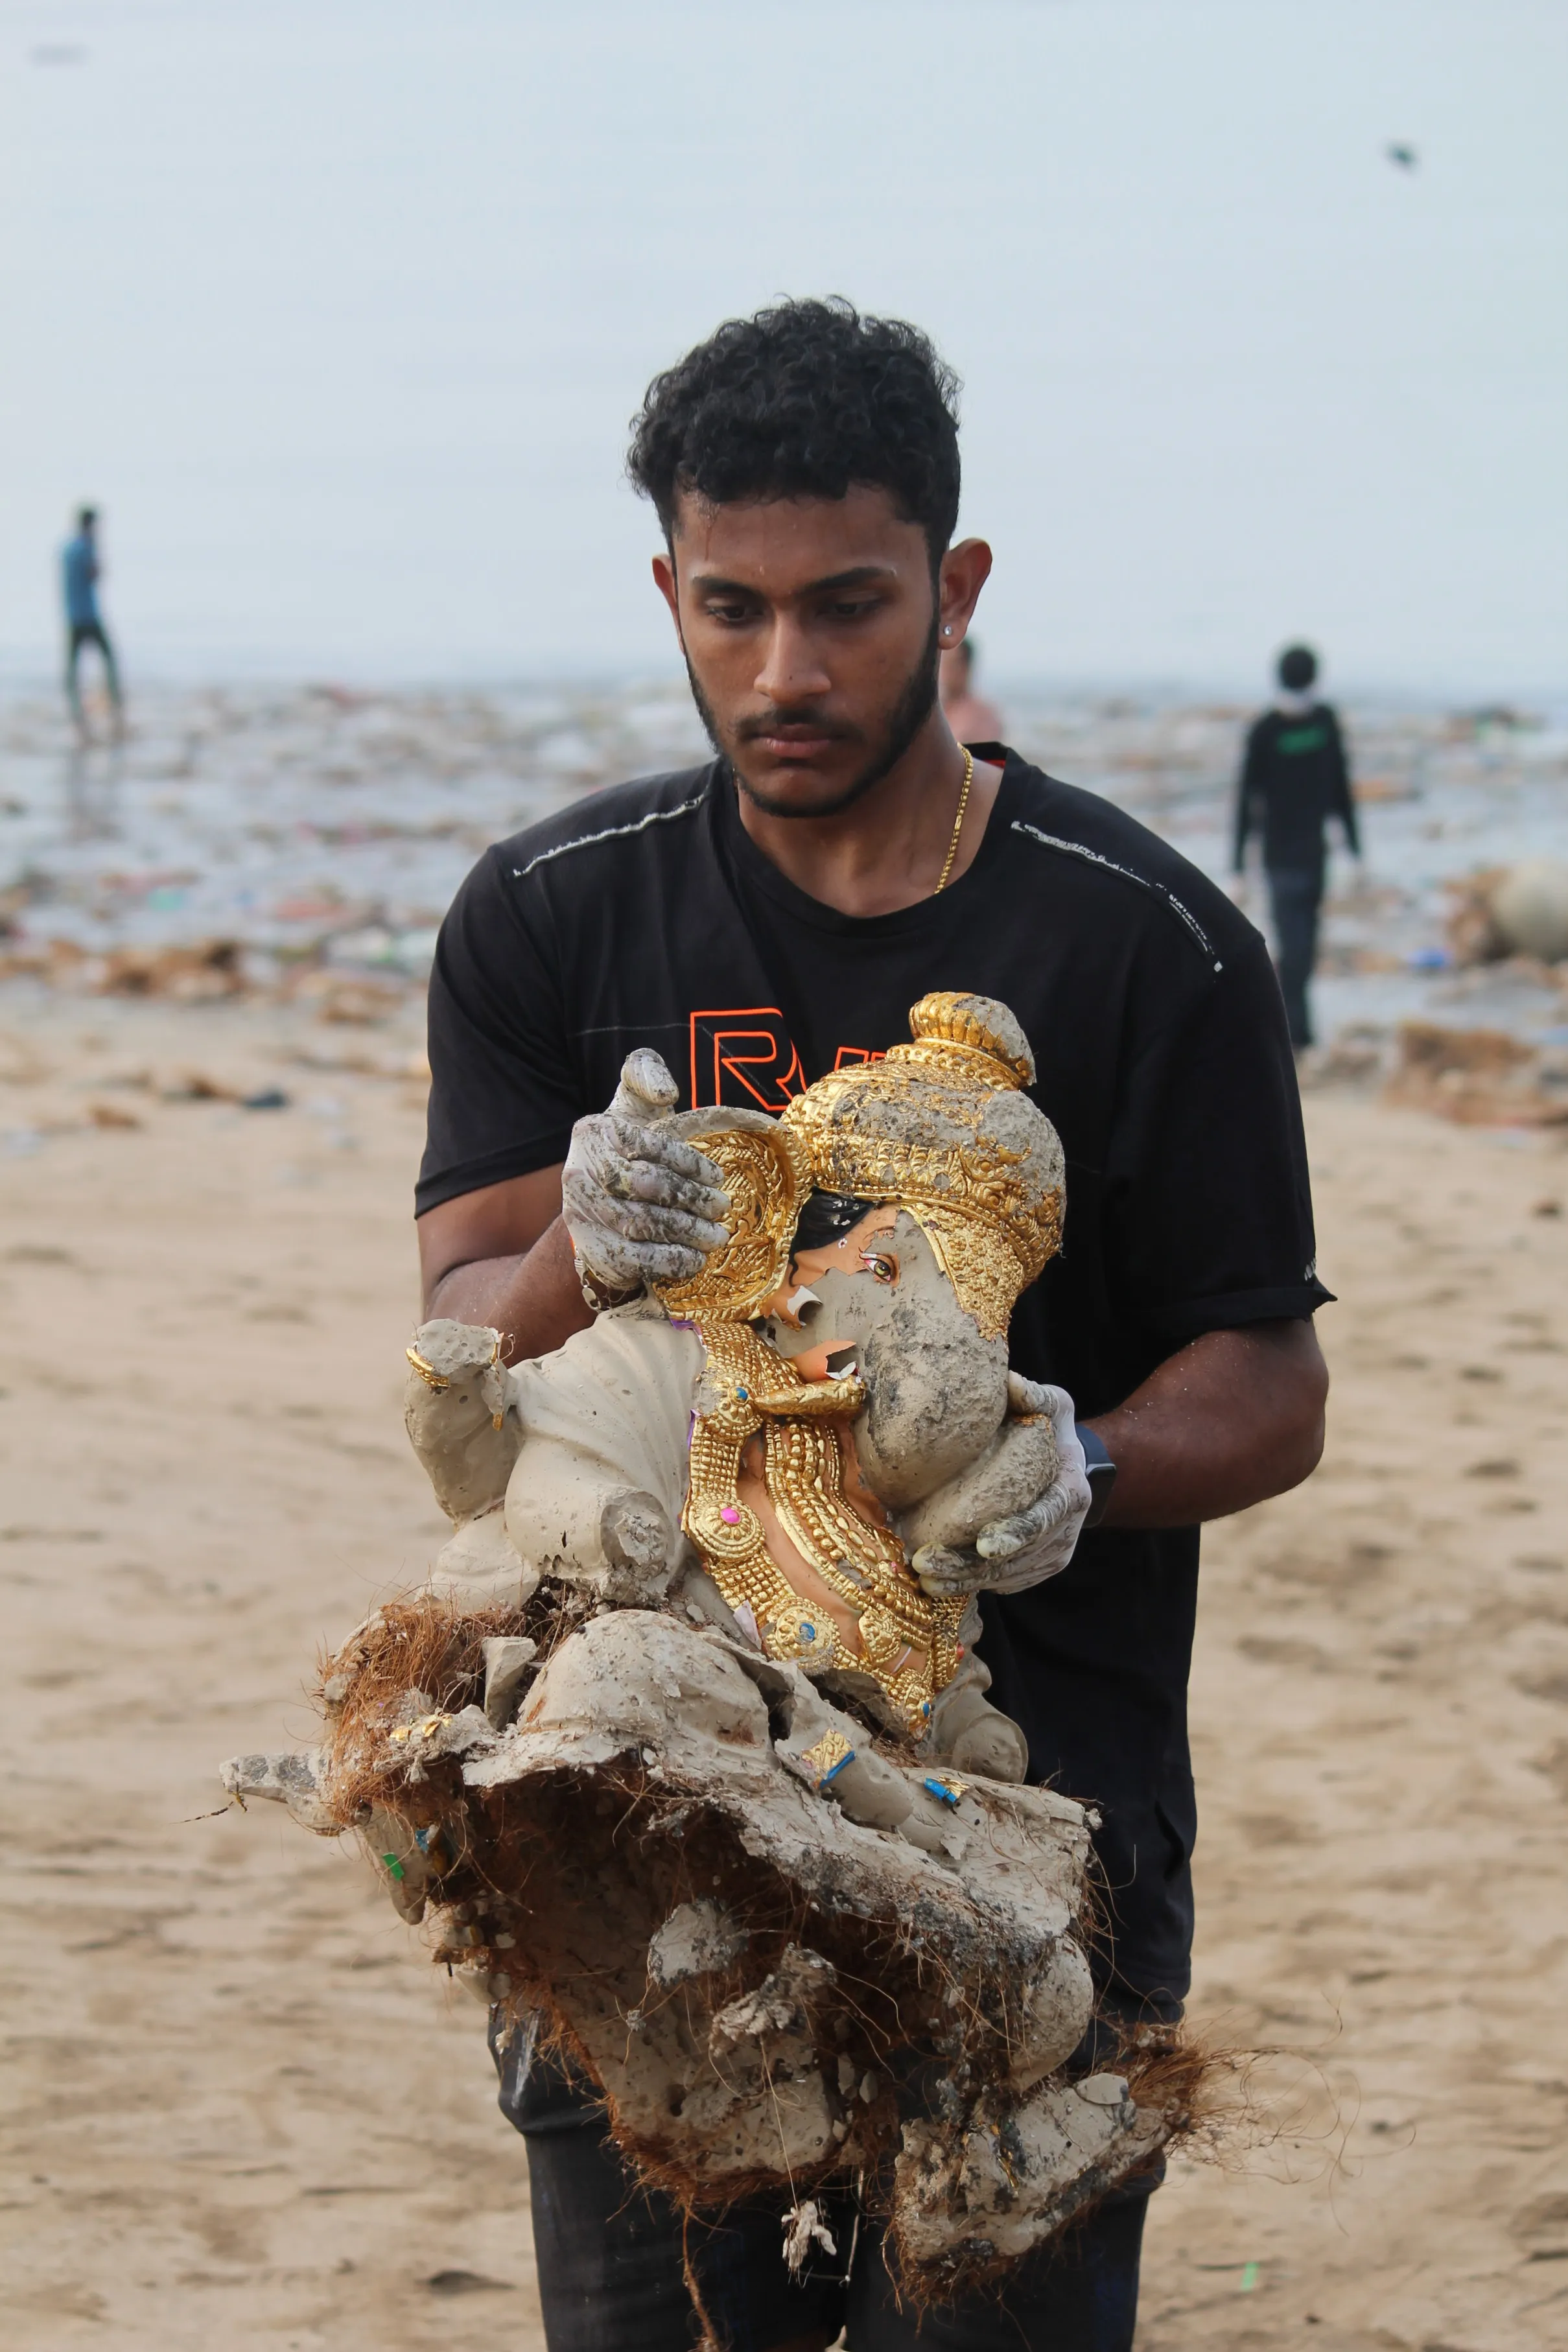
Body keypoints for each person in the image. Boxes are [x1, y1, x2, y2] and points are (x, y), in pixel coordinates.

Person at [415, 299, 1331, 2352]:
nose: (784, 670)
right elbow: (463, 1315)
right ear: (666, 585)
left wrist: (1069, 1455)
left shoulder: (1144, 941)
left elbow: (1266, 1384)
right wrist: (580, 1241)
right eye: (727, 609)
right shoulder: (556, 914)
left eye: (844, 605)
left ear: (955, 583)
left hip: (1031, 1822)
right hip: (638, 1773)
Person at [1233, 643, 1359, 1050]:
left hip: (1314, 855)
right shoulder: (1266, 732)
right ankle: (1297, 1037)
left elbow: (1340, 787)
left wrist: (1354, 851)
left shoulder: (1325, 723)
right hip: (1281, 859)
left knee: (1307, 947)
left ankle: (1296, 1032)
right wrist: (1238, 866)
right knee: (1295, 947)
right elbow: (1246, 800)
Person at [60, 506, 123, 740]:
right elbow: (95, 574)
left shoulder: (67, 548)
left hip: (72, 615)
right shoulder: (86, 547)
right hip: (88, 615)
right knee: (109, 659)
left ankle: (76, 712)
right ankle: (115, 704)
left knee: (73, 668)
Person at [939, 631, 1002, 742]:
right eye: (943, 663)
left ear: (966, 668)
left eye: (951, 665)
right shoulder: (935, 710)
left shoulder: (982, 717)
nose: (944, 672)